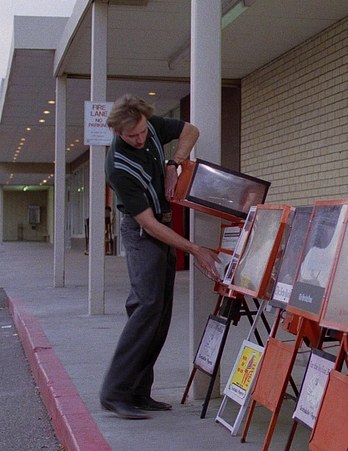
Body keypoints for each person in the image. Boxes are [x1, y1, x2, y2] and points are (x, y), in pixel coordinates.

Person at [100, 94, 222, 420]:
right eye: (132, 136)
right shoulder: (118, 166)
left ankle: (140, 393)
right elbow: (147, 224)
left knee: (160, 314)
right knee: (146, 308)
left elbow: (191, 130)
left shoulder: (150, 125)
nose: (140, 139)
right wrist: (194, 249)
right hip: (143, 234)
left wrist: (174, 163)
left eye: (142, 132)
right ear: (117, 132)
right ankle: (114, 393)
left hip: (162, 227)